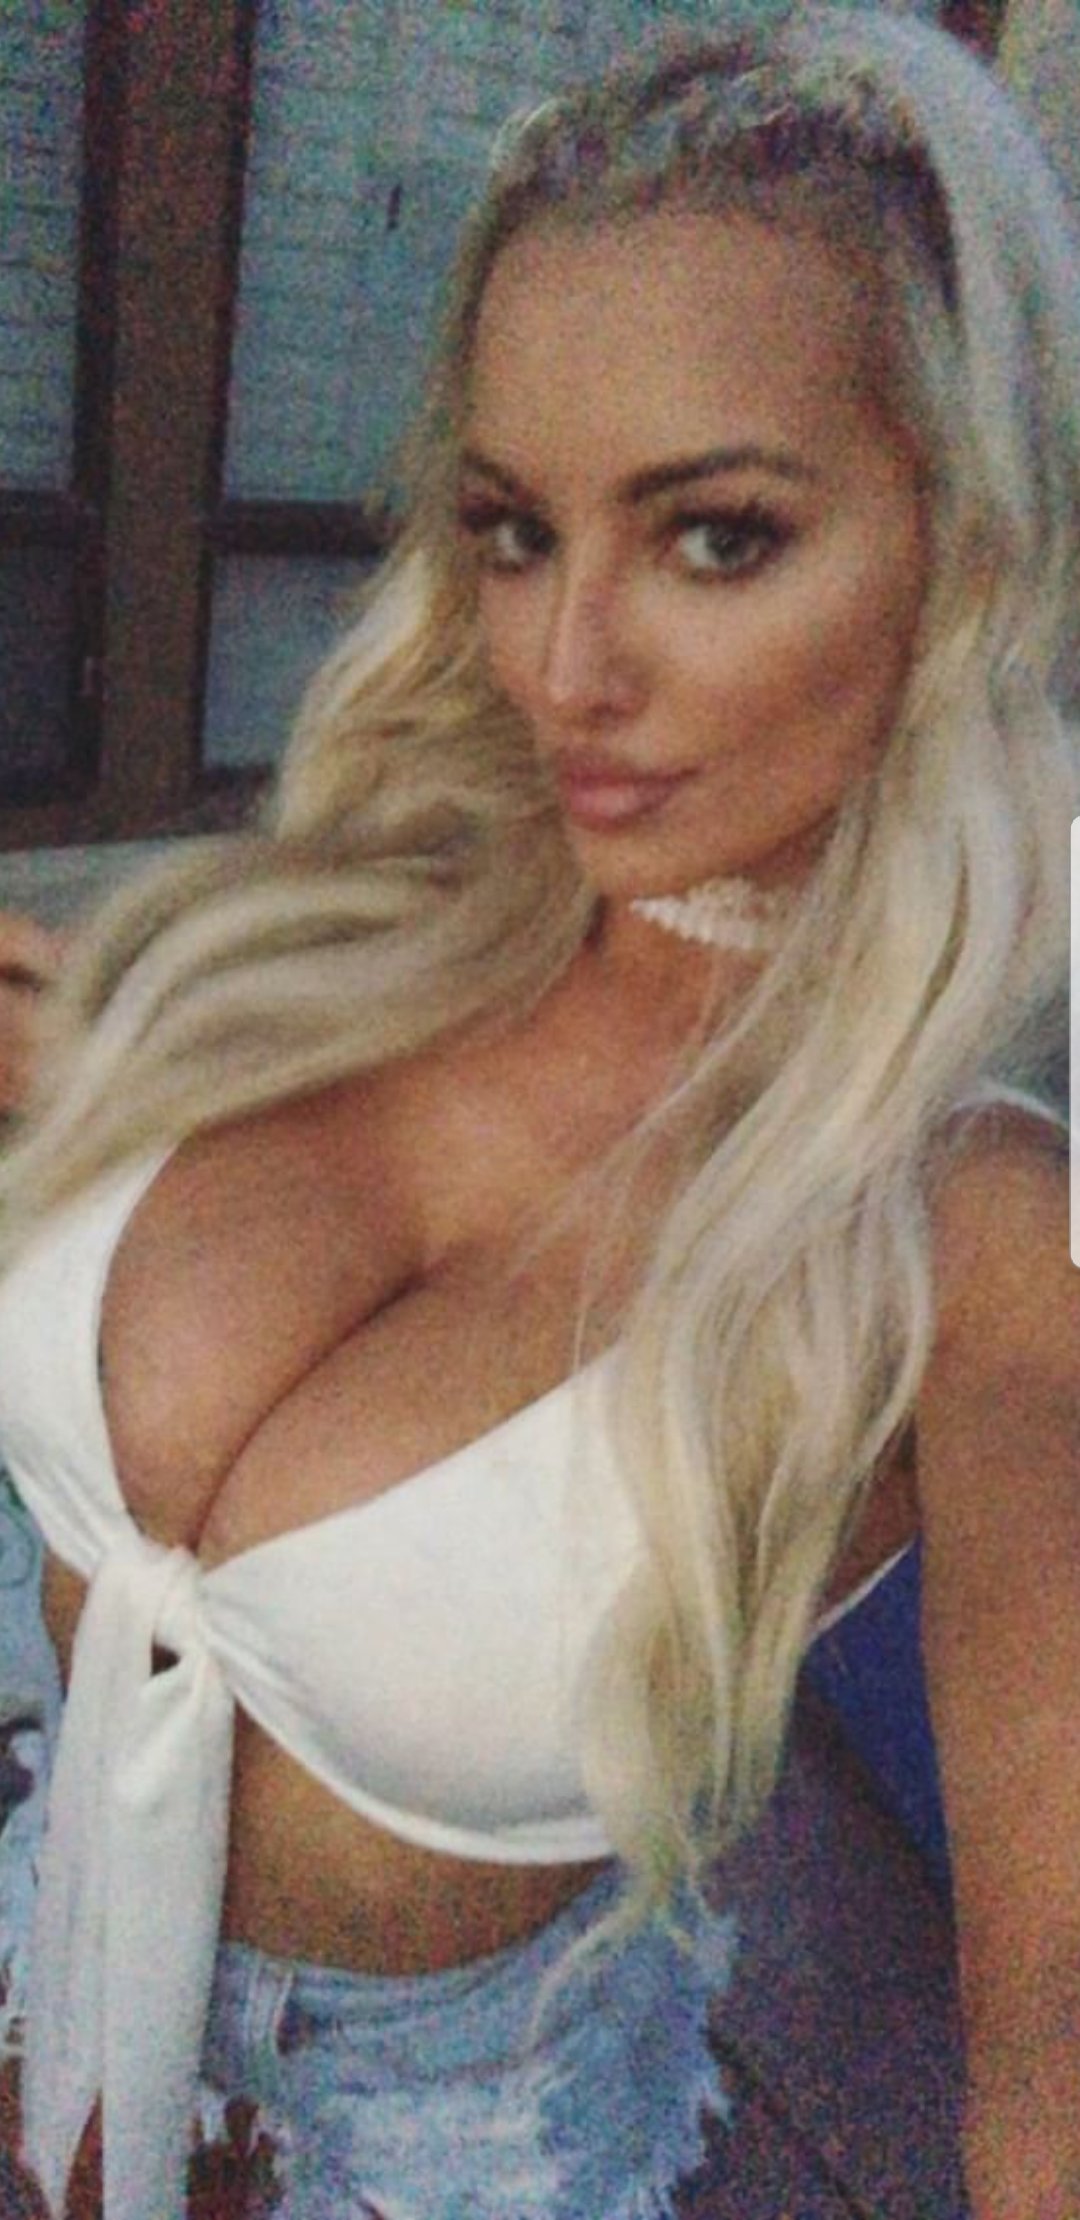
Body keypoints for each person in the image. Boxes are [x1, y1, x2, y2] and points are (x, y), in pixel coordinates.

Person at [0, 7, 1078, 2215]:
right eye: (510, 530)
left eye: (714, 540)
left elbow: (1052, 2030)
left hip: (447, 2139)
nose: (565, 667)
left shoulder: (974, 1238)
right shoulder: (324, 938)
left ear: (966, 553)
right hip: (53, 1926)